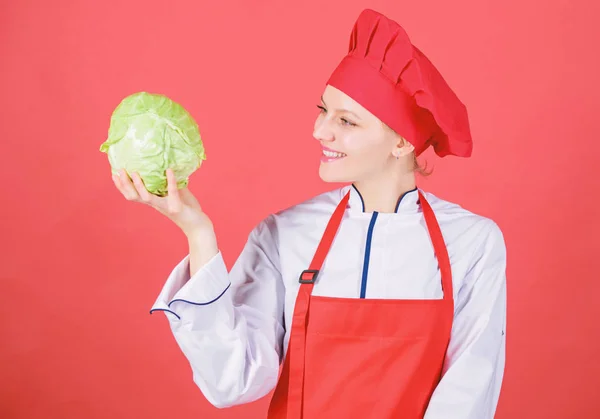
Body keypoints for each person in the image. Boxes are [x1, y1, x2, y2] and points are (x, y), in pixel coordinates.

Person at [112, 8, 507, 419]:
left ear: (403, 143)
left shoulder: (472, 243)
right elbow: (232, 379)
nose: (321, 131)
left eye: (346, 121)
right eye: (323, 110)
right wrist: (197, 232)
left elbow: (468, 393)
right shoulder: (284, 234)